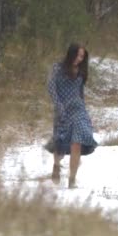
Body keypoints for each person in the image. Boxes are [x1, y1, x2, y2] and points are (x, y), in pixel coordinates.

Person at [46, 43, 98, 188]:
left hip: (78, 110)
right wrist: (58, 106)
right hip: (61, 109)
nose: (80, 59)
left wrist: (86, 113)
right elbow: (51, 88)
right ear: (71, 54)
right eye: (78, 55)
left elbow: (80, 93)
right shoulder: (57, 68)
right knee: (60, 143)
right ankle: (56, 165)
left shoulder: (81, 71)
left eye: (82, 56)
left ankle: (72, 179)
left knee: (77, 142)